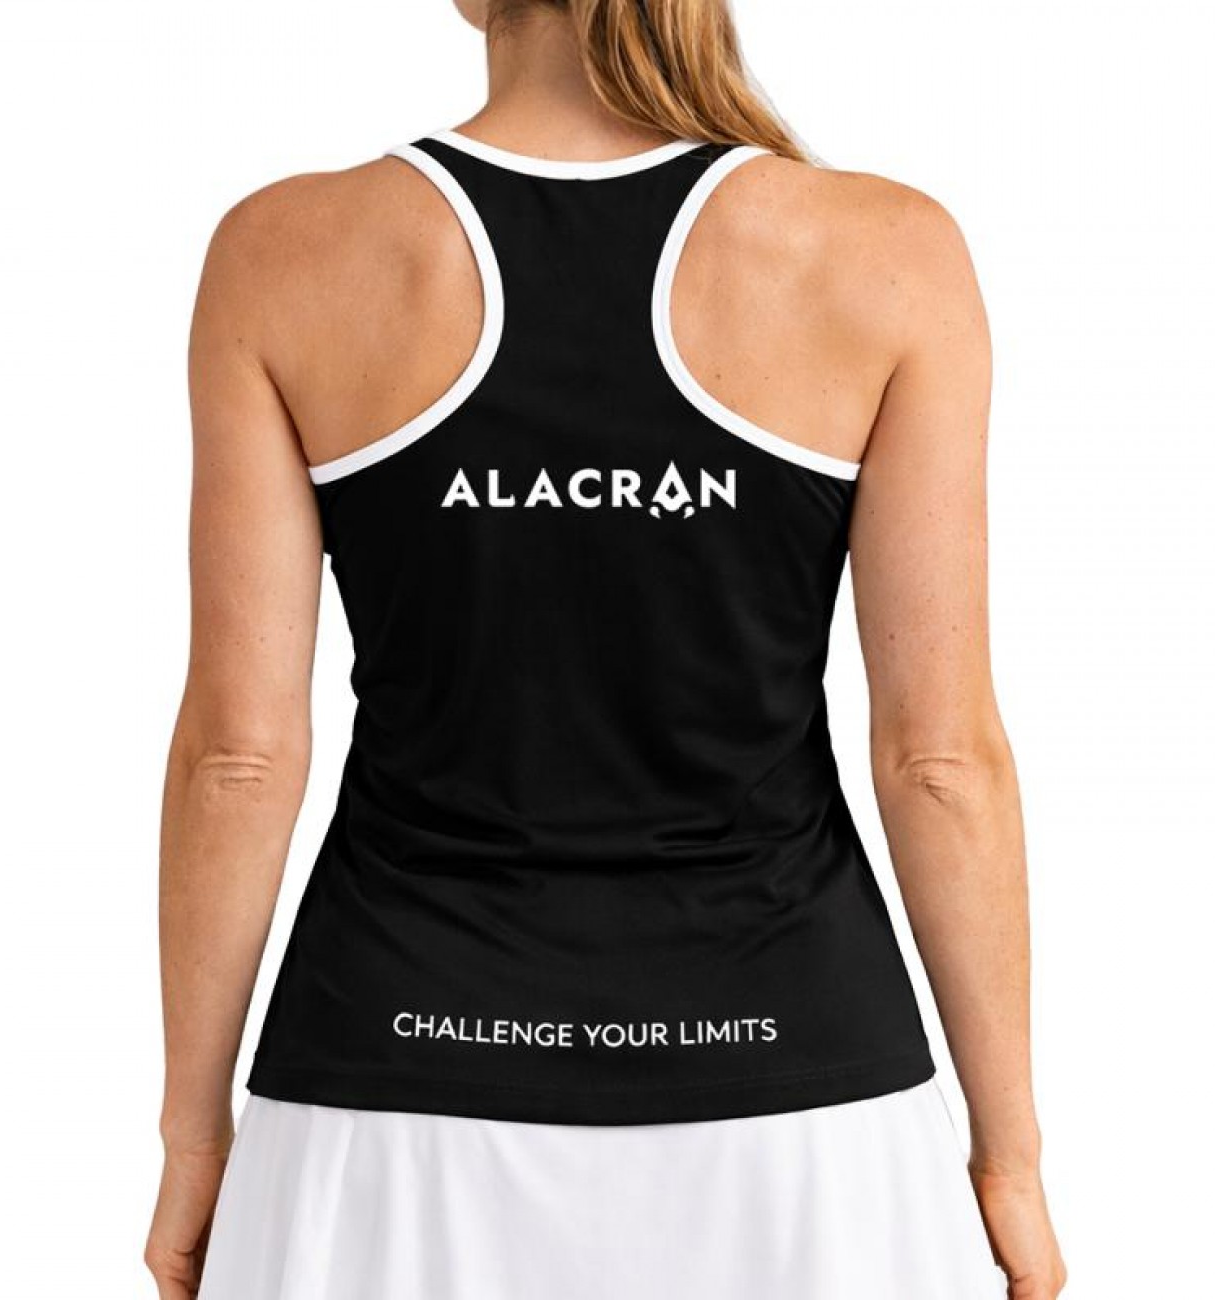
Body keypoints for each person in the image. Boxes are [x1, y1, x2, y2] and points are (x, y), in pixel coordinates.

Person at [144, 1, 1067, 1296]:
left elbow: (239, 759)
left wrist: (193, 1139)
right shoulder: (885, 255)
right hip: (797, 1104)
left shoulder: (288, 253)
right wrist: (1009, 1156)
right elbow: (941, 761)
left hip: (390, 1090)